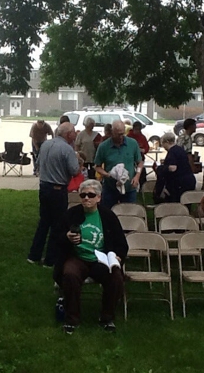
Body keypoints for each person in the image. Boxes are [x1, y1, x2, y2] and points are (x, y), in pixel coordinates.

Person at [54, 179, 128, 334]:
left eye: (91, 195)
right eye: (83, 195)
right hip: (77, 256)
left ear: (99, 198)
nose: (86, 198)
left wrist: (118, 257)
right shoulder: (71, 214)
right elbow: (55, 238)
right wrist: (67, 237)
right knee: (70, 274)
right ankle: (71, 319)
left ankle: (107, 318)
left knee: (115, 278)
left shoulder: (108, 216)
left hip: (101, 259)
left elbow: (121, 243)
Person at [27, 122, 79, 266]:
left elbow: (38, 163)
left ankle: (34, 255)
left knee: (44, 222)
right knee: (58, 225)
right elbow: (74, 170)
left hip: (44, 187)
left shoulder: (45, 145)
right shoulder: (67, 149)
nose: (75, 134)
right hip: (58, 189)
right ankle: (50, 260)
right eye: (74, 132)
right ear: (68, 134)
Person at [94, 120, 143, 208]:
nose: (121, 137)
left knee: (129, 212)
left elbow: (139, 162)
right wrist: (107, 174)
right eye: (118, 134)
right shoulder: (103, 147)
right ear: (112, 132)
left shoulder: (132, 143)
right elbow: (97, 167)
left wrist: (137, 176)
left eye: (122, 134)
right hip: (110, 188)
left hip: (129, 188)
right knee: (108, 214)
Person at [154, 132, 196, 203]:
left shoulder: (172, 152)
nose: (163, 146)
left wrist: (160, 168)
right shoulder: (180, 149)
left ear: (167, 142)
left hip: (180, 183)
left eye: (163, 144)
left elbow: (173, 168)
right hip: (189, 180)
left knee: (176, 204)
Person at [127, 121, 150, 187]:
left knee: (142, 172)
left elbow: (146, 147)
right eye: (136, 129)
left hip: (140, 158)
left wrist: (144, 150)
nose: (138, 131)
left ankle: (142, 186)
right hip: (131, 158)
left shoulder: (142, 137)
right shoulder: (129, 136)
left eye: (139, 129)